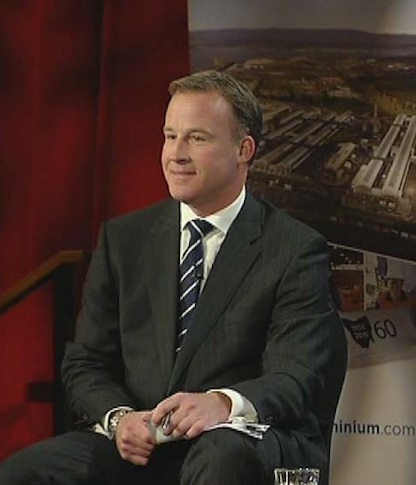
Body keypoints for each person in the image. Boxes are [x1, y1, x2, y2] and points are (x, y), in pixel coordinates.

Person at [0, 71, 347, 485]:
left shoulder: (295, 248)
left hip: (247, 445)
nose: (176, 154)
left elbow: (298, 376)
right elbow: (86, 361)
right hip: (143, 445)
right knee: (23, 472)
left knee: (221, 457)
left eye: (197, 138)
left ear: (244, 149)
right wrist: (119, 419)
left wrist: (221, 404)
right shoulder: (123, 239)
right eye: (170, 136)